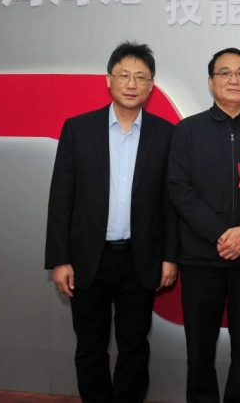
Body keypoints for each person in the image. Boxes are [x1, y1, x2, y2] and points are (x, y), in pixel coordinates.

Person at [45, 42, 178, 403]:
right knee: (90, 345)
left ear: (151, 85)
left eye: (141, 77)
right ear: (108, 79)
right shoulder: (78, 129)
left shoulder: (166, 135)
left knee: (134, 346)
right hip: (88, 257)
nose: (131, 84)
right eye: (124, 75)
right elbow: (61, 198)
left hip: (140, 258)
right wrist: (59, 259)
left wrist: (169, 256)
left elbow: (170, 203)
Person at [167, 48, 240, 403]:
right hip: (201, 256)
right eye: (225, 73)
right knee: (200, 345)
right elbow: (179, 190)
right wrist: (220, 234)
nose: (234, 80)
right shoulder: (187, 131)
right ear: (211, 82)